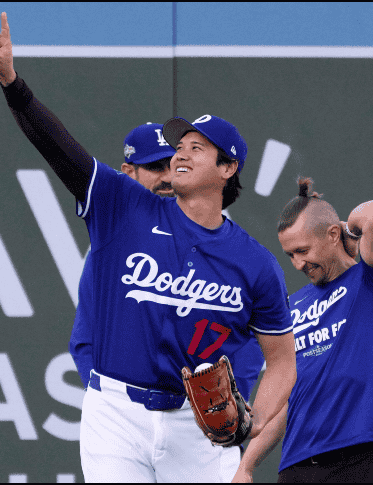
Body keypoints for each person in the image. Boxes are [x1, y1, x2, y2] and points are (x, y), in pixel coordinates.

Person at [0, 12, 296, 482]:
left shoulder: (254, 263)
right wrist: (12, 83)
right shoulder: (124, 206)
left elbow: (282, 361)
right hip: (117, 415)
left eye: (198, 146)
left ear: (228, 168)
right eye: (180, 145)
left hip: (199, 432)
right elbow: (59, 148)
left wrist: (252, 425)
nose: (182, 153)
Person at [69, 123, 266, 408]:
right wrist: (107, 401)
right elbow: (86, 337)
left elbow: (251, 335)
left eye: (170, 164)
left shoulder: (225, 243)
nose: (167, 177)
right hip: (124, 411)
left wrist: (230, 400)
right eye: (154, 167)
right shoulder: (113, 244)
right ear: (129, 173)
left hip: (203, 415)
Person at [235, 177, 373, 483]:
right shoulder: (293, 305)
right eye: (290, 255)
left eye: (303, 250)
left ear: (332, 234)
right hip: (297, 466)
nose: (298, 264)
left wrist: (350, 232)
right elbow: (287, 399)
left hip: (360, 457)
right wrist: (246, 465)